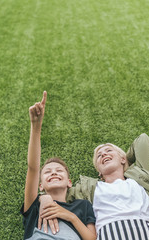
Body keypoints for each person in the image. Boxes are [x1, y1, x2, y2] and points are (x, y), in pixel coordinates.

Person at [21, 91, 96, 240]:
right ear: (40, 185)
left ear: (69, 182)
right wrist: (36, 126)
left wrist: (69, 216)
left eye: (59, 170)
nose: (54, 173)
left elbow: (92, 238)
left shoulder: (82, 206)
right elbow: (33, 168)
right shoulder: (34, 205)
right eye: (48, 172)